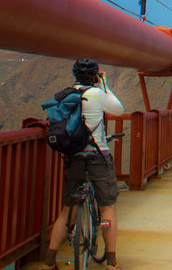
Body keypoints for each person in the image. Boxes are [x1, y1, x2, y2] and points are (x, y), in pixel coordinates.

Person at [41, 58, 125, 270]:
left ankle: (49, 261)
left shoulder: (65, 95)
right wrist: (104, 84)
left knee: (67, 210)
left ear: (75, 75)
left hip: (74, 157)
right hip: (98, 157)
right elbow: (119, 108)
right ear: (95, 76)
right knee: (107, 207)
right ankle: (112, 262)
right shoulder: (97, 94)